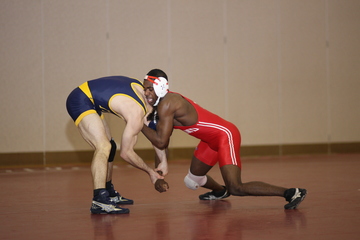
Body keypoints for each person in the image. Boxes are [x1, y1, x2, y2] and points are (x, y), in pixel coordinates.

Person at [141, 69, 307, 209]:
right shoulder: (160, 106)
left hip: (225, 135)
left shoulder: (169, 104)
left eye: (150, 89)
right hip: (209, 141)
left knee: (236, 187)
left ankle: (291, 192)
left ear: (161, 87)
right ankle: (220, 191)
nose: (147, 94)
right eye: (145, 90)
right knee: (192, 181)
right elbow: (161, 141)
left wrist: (139, 124)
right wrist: (159, 175)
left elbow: (161, 141)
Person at [66, 75, 168, 214]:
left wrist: (163, 161)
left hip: (91, 98)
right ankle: (99, 200)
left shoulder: (142, 90)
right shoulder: (136, 115)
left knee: (111, 146)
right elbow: (126, 153)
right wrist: (150, 172)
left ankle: (108, 192)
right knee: (103, 146)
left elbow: (155, 139)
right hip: (80, 99)